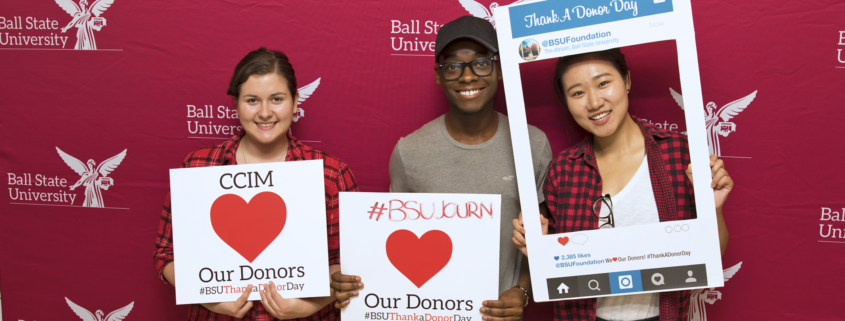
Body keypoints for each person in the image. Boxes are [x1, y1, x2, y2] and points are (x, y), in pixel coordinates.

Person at [330, 16, 553, 321]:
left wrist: (522, 292)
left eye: (481, 63)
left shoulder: (533, 144)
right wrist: (354, 283)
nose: (468, 76)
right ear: (439, 76)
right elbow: (392, 244)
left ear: (499, 69)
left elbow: (542, 241)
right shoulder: (408, 152)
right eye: (453, 66)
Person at [512, 48, 732, 321]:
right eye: (577, 93)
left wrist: (714, 210)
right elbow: (559, 274)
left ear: (626, 81)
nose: (594, 102)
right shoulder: (563, 171)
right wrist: (538, 247)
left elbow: (712, 254)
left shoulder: (681, 154)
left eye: (603, 83)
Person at [153, 48, 358, 320]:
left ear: (296, 102)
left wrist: (310, 306)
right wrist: (210, 299)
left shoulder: (331, 174)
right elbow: (166, 255)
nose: (264, 112)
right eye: (252, 100)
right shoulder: (197, 168)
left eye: (276, 99)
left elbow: (346, 266)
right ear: (236, 103)